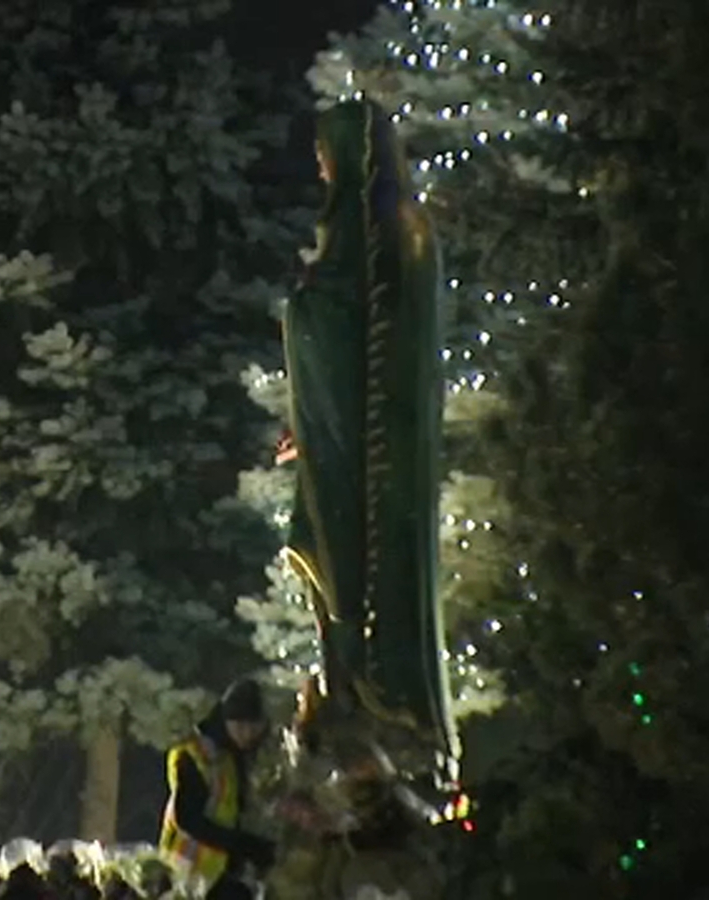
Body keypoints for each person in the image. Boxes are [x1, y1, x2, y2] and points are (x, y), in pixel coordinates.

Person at [280, 97, 458, 767]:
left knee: (353, 564)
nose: (323, 173)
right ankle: (344, 682)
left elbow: (357, 334)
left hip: (370, 458)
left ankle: (371, 690)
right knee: (328, 569)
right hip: (342, 436)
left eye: (329, 158)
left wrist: (305, 303)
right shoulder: (372, 232)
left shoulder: (388, 233)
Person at [160, 678, 279, 898]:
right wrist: (245, 845)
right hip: (190, 873)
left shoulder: (242, 755)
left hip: (223, 873)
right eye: (240, 726)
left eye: (253, 727)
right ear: (225, 720)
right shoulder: (195, 753)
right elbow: (188, 819)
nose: (247, 734)